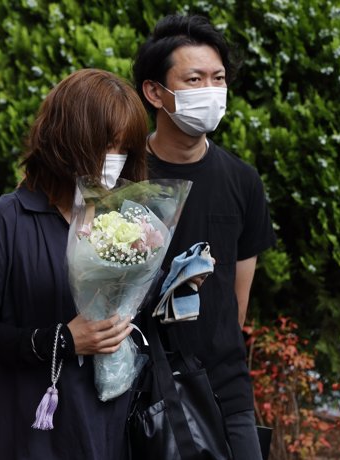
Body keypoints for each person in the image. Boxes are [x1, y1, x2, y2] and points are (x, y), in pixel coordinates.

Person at [0, 68, 148, 460]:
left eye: (124, 148)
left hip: (108, 421)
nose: (116, 159)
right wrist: (59, 340)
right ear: (69, 139)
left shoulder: (121, 223)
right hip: (33, 429)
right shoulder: (7, 221)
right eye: (107, 144)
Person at [133, 14, 276, 459]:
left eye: (218, 78)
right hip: (139, 386)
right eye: (194, 79)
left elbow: (238, 300)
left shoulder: (242, 180)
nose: (211, 91)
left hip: (223, 386)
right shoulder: (123, 178)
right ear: (155, 91)